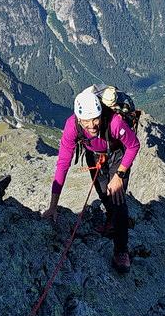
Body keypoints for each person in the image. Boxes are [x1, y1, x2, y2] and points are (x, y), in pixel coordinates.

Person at [43, 86, 140, 274]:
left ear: (101, 114)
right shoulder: (72, 126)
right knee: (103, 193)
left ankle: (121, 250)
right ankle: (111, 221)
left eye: (95, 119)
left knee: (117, 199)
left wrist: (119, 175)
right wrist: (53, 206)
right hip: (94, 156)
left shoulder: (115, 123)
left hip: (117, 156)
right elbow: (63, 164)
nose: (92, 125)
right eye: (86, 121)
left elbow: (133, 146)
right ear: (79, 119)